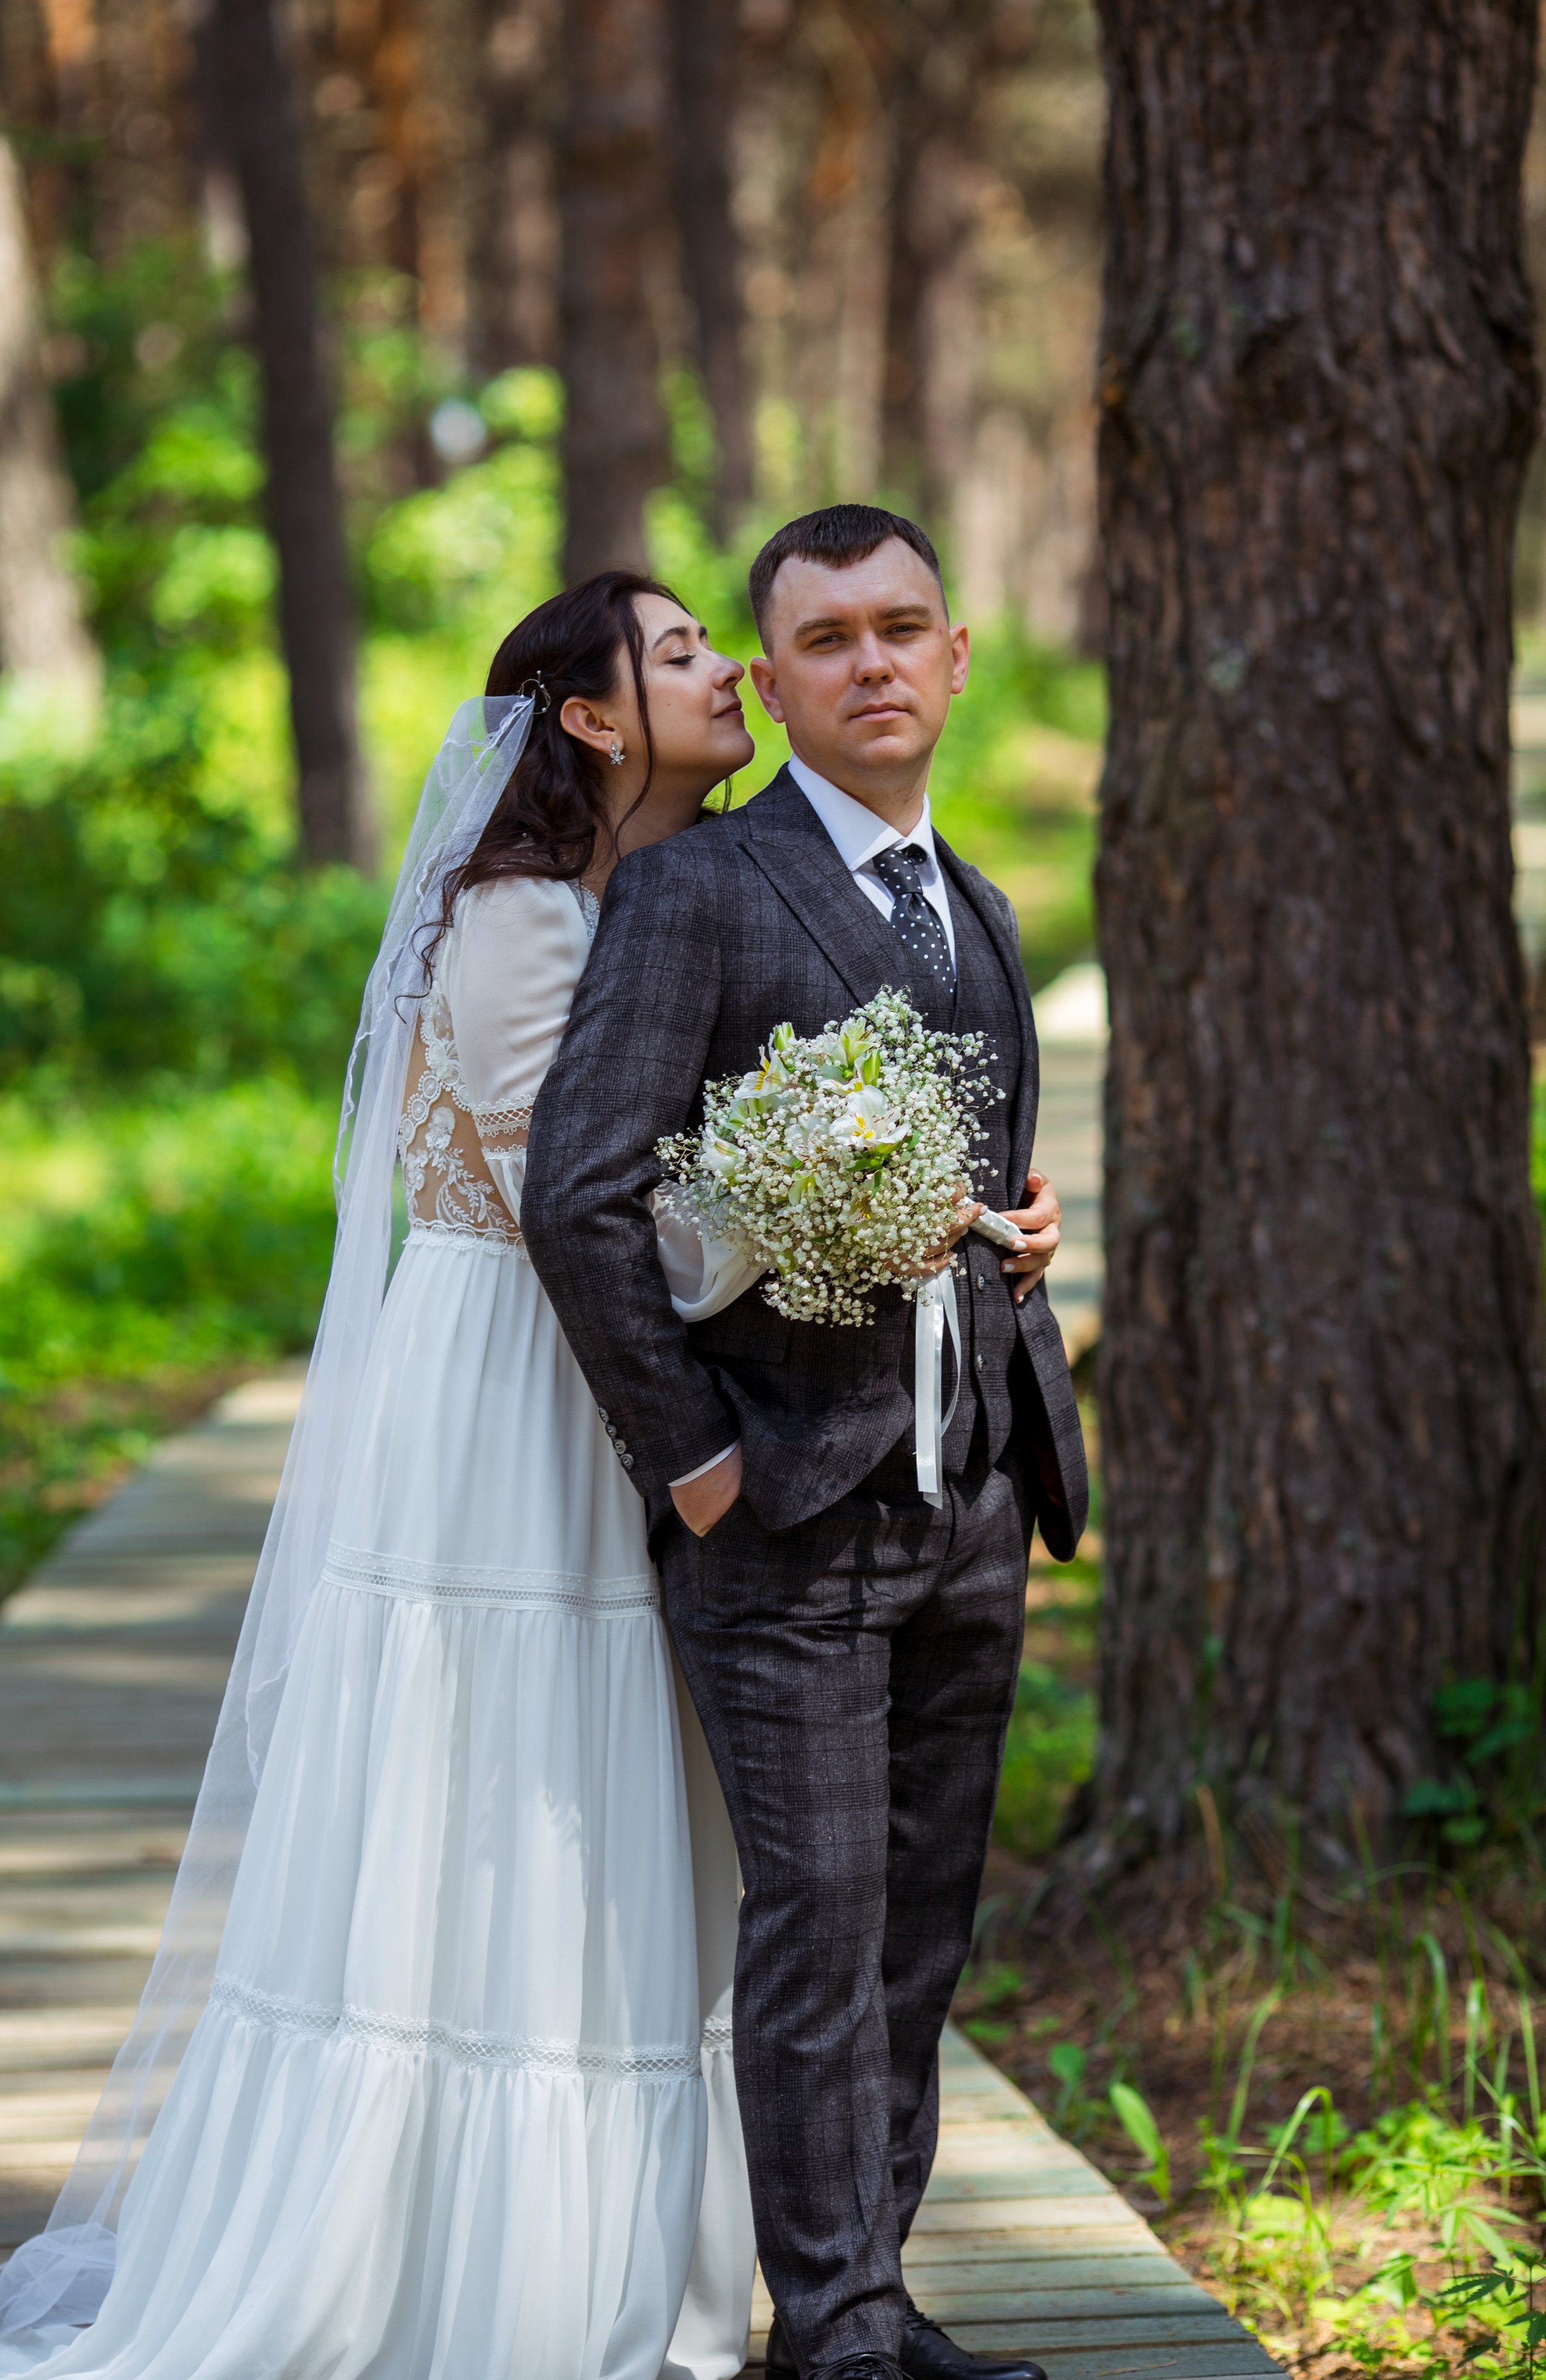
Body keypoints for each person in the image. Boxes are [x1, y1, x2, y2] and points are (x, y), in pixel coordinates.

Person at [0, 572, 767, 2380]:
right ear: (586, 715)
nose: (726, 668)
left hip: (606, 1389)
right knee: (491, 1776)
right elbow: (578, 1187)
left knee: (618, 1788)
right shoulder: (516, 917)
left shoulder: (682, 891)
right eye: (681, 651)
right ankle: (441, 2260)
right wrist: (809, 1228)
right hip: (507, 1397)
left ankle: (612, 2254)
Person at [522, 505, 1087, 2380]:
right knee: (820, 1932)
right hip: (783, 1510)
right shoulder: (702, 893)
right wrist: (696, 1464)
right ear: (771, 682)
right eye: (827, 638)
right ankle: (836, 2329)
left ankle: (883, 2299)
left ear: (955, 658)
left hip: (972, 1494)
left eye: (903, 627)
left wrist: (1021, 1245)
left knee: (921, 1932)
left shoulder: (983, 908)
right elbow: (586, 1193)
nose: (873, 663)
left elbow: (961, 1182)